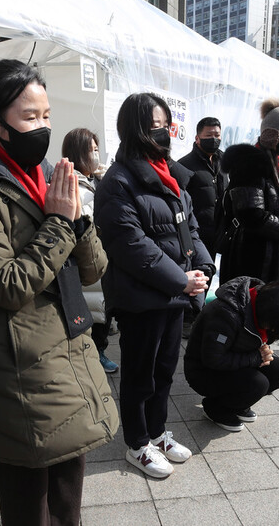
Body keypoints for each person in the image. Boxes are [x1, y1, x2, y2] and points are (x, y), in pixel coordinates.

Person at [0, 59, 117, 525]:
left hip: (68, 355)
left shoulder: (43, 177)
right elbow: (4, 285)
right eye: (29, 117)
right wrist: (60, 223)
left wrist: (78, 219)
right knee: (28, 505)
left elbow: (94, 270)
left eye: (46, 115)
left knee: (67, 498)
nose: (42, 127)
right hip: (19, 368)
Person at [94, 92, 213, 478]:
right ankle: (137, 442)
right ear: (137, 130)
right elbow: (131, 245)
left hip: (176, 293)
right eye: (156, 126)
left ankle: (158, 432)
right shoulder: (118, 181)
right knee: (139, 375)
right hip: (142, 297)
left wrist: (203, 268)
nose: (165, 132)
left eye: (166, 125)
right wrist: (181, 280)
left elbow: (189, 227)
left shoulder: (170, 172)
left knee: (164, 370)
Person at [217, 98, 279, 363]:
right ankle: (252, 350)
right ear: (273, 137)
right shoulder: (250, 163)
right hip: (256, 252)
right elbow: (251, 214)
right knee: (257, 305)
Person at [184, 277, 279, 432]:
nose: (273, 331)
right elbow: (213, 359)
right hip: (204, 371)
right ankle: (215, 408)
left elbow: (255, 339)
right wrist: (256, 358)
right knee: (258, 383)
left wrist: (263, 349)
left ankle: (237, 404)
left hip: (234, 360)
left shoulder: (261, 305)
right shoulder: (225, 313)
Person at [62, 127, 118, 373]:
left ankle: (99, 352)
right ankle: (92, 356)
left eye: (97, 149)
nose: (96, 155)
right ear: (78, 153)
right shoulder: (73, 184)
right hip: (87, 259)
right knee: (91, 313)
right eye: (91, 150)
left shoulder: (99, 180)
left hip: (105, 257)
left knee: (102, 312)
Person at [178, 116, 225, 259]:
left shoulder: (225, 161)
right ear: (197, 138)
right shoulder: (184, 165)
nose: (213, 139)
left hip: (222, 232)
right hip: (199, 236)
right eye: (208, 135)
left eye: (217, 135)